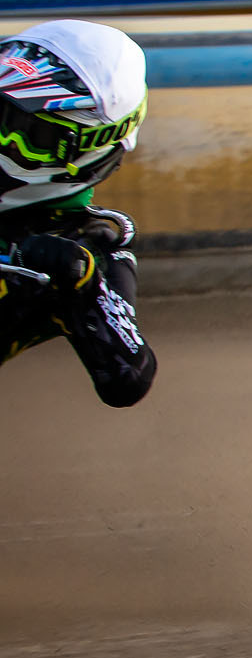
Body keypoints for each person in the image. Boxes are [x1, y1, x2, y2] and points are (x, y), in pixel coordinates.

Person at [0, 20, 156, 409]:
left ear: (87, 152)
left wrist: (84, 287)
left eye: (24, 132)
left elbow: (128, 378)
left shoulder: (92, 243)